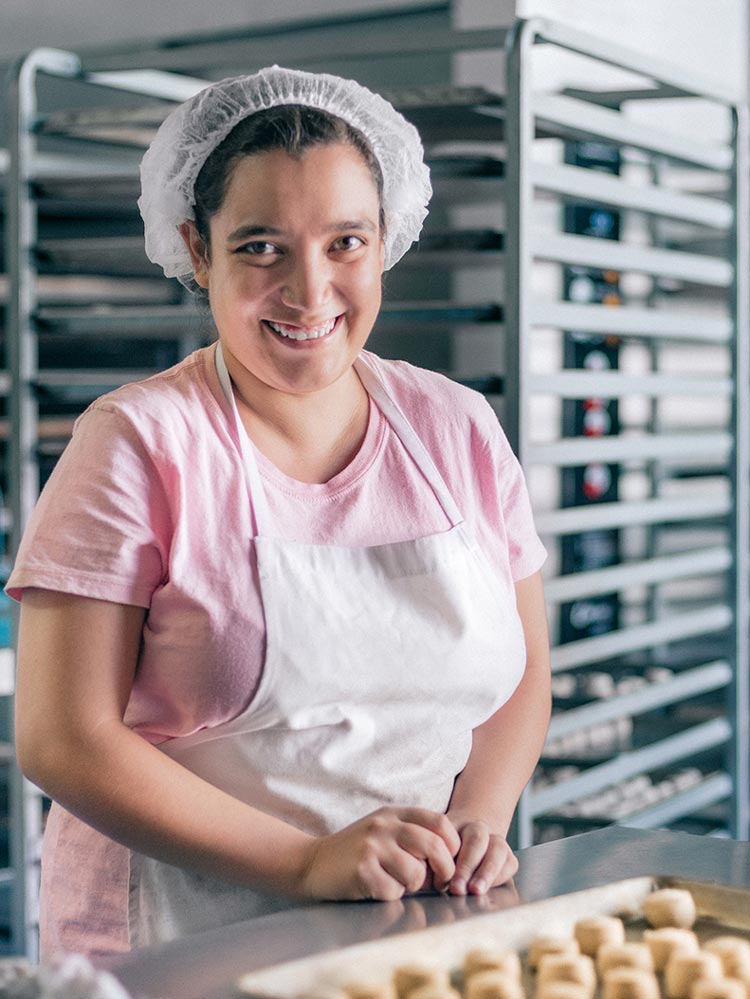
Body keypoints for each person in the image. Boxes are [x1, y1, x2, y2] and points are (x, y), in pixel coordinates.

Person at [7, 65, 550, 958]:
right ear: (196, 248)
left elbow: (526, 675)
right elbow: (64, 739)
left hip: (406, 924)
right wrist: (307, 863)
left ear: (385, 243)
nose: (309, 290)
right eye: (262, 246)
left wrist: (479, 817)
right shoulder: (140, 441)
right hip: (181, 937)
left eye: (346, 242)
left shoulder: (455, 425)